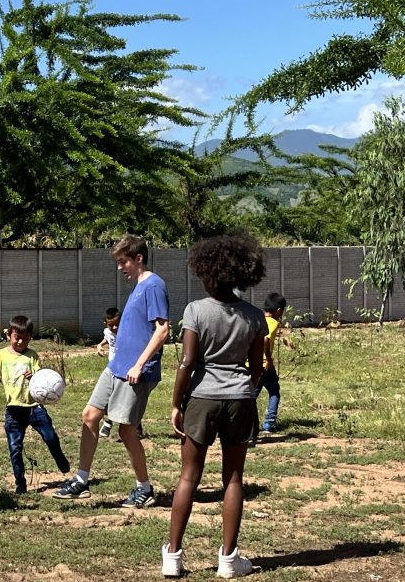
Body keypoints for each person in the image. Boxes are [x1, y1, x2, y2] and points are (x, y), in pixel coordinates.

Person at [162, 231, 267, 579]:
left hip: (201, 399)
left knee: (188, 477)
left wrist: (177, 403)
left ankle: (173, 557)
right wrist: (245, 390)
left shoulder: (195, 310)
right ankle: (228, 560)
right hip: (239, 399)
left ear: (206, 272)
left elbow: (187, 362)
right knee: (234, 479)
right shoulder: (255, 316)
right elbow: (257, 369)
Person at [54, 234, 168, 508]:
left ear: (138, 259)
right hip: (116, 368)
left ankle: (145, 488)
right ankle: (81, 480)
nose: (120, 268)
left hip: (135, 371)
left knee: (126, 432)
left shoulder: (153, 285)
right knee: (90, 415)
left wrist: (139, 365)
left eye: (123, 262)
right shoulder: (139, 286)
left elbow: (162, 330)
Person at [0, 315, 71, 494]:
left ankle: (60, 459)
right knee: (15, 448)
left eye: (26, 338)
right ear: (9, 335)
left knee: (51, 437)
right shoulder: (0, 355)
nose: (21, 342)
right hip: (14, 410)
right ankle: (20, 482)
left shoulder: (32, 356)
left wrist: (34, 377)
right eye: (17, 338)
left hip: (34, 408)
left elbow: (42, 379)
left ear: (31, 337)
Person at [255, 292, 287, 437]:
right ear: (279, 310)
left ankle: (246, 424)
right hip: (264, 365)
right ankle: (269, 424)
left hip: (251, 363)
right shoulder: (273, 323)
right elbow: (266, 340)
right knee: (274, 391)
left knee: (251, 395)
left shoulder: (256, 320)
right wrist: (268, 359)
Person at [95, 307, 120, 438]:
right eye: (111, 325)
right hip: (111, 367)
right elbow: (107, 339)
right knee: (110, 395)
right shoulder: (108, 331)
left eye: (117, 324)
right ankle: (108, 423)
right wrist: (100, 345)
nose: (115, 327)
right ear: (106, 324)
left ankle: (108, 423)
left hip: (124, 369)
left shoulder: (126, 332)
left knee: (121, 396)